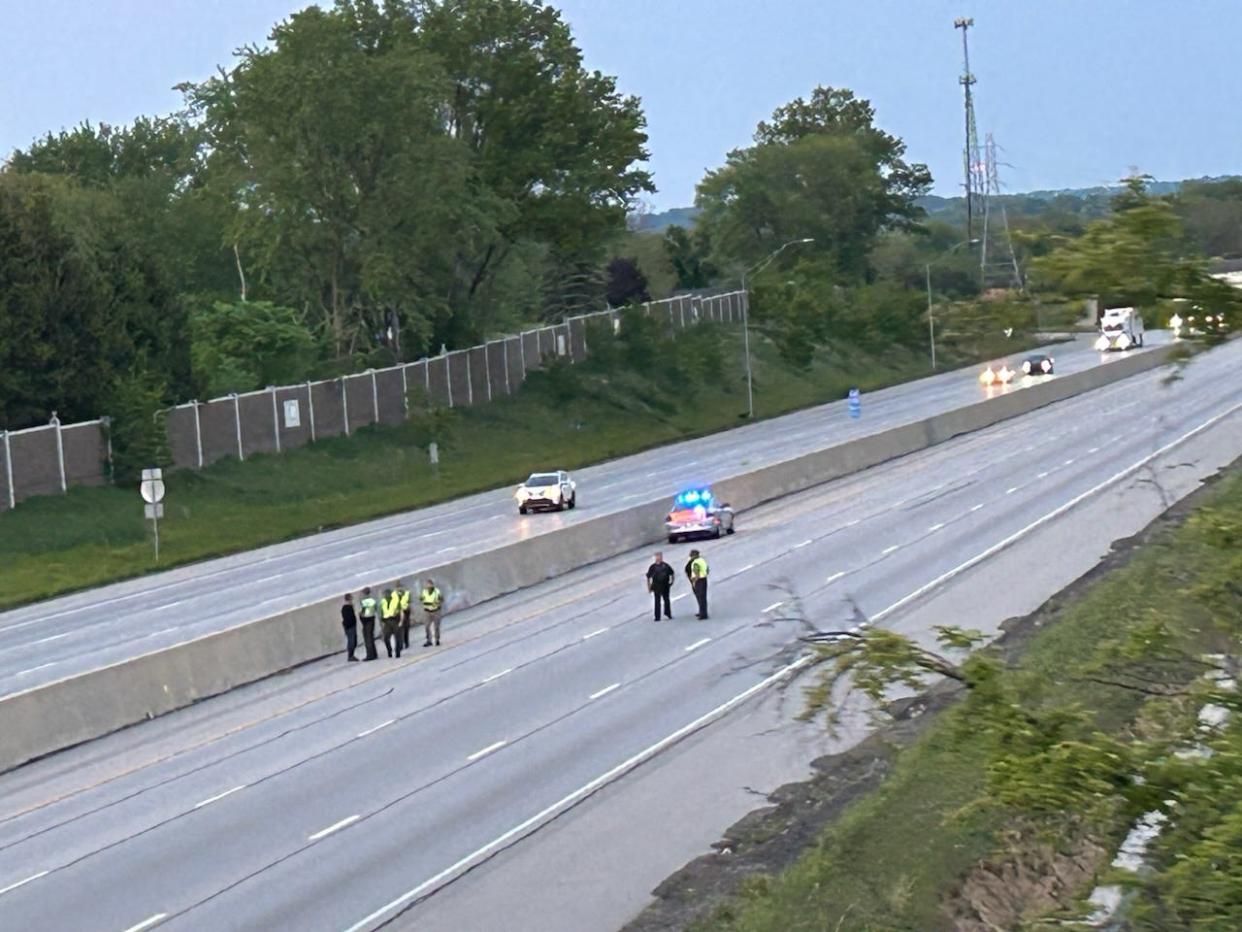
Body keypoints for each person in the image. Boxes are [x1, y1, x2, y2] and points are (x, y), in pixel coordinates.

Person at [646, 551, 675, 621]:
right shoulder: (652, 567)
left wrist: (671, 582)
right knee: (657, 601)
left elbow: (672, 573)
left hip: (665, 585)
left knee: (666, 600)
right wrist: (649, 587)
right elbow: (648, 577)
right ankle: (657, 616)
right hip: (656, 586)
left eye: (660, 556)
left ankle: (668, 613)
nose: (658, 558)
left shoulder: (666, 565)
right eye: (657, 556)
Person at [420, 579, 444, 647]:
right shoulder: (424, 592)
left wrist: (437, 603)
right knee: (427, 626)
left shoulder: (437, 591)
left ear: (432, 585)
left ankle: (437, 639)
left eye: (429, 584)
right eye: (427, 584)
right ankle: (429, 640)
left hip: (436, 611)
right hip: (427, 611)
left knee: (436, 626)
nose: (428, 586)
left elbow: (441, 599)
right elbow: (421, 598)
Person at [380, 587, 402, 658]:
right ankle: (389, 651)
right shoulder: (383, 601)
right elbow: (382, 612)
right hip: (386, 621)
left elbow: (400, 610)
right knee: (386, 638)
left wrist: (400, 621)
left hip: (394, 620)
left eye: (387, 594)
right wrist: (382, 622)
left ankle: (397, 652)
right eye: (385, 594)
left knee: (397, 637)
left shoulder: (395, 600)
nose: (385, 595)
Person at [359, 587, 379, 661]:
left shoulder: (364, 601)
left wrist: (361, 617)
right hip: (372, 618)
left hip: (366, 620)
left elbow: (362, 612)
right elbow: (376, 609)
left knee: (367, 638)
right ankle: (374, 653)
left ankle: (370, 655)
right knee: (371, 637)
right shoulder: (372, 600)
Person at [689, 549, 709, 620]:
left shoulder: (695, 563)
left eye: (691, 555)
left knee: (700, 597)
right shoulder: (702, 560)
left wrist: (694, 582)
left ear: (694, 556)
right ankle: (703, 612)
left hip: (699, 581)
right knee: (703, 598)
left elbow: (696, 573)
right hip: (704, 579)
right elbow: (707, 570)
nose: (690, 557)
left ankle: (702, 614)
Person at [341, 593, 359, 661]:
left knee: (353, 640)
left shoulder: (348, 606)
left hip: (350, 626)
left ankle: (351, 655)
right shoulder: (347, 607)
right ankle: (350, 655)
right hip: (350, 626)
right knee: (352, 641)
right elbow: (349, 617)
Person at [396, 580, 412, 649]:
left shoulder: (407, 593)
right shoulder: (394, 595)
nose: (399, 588)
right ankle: (401, 643)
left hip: (406, 611)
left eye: (400, 587)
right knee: (400, 629)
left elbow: (409, 603)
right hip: (399, 612)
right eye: (398, 587)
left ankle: (406, 642)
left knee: (406, 628)